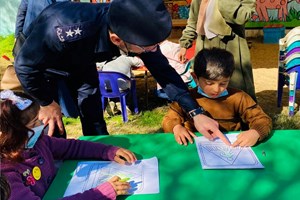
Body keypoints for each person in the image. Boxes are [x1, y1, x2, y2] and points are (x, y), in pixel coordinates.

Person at [14, 0, 230, 145]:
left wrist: (196, 112)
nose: (153, 50)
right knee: (54, 124)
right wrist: (45, 101)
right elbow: (25, 66)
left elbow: (164, 73)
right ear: (117, 39)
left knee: (93, 113)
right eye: (148, 47)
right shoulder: (63, 29)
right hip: (41, 66)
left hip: (82, 62)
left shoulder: (136, 31)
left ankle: (101, 153)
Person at [0, 90, 137, 199]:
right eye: (34, 123)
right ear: (12, 133)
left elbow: (71, 147)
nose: (42, 124)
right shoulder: (6, 174)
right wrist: (100, 193)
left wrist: (107, 151)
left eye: (38, 118)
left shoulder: (38, 142)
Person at [163, 48, 272, 146]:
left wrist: (256, 132)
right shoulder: (187, 97)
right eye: (209, 83)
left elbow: (262, 119)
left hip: (230, 146)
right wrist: (176, 127)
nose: (216, 89)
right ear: (195, 77)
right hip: (193, 146)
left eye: (223, 83)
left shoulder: (239, 97)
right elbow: (169, 119)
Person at [178, 0, 257, 101]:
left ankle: (242, 113)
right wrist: (184, 44)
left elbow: (241, 17)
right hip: (205, 46)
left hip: (230, 46)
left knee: (235, 85)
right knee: (207, 82)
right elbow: (193, 21)